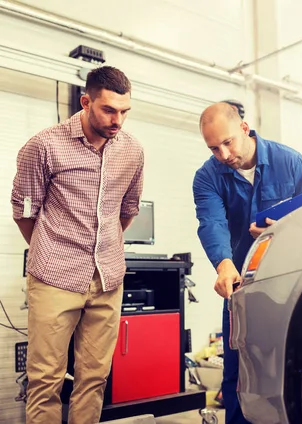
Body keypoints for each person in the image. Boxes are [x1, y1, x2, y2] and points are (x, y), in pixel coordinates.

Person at [11, 66, 144, 424]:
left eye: (124, 111)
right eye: (109, 110)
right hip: (54, 278)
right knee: (45, 380)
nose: (118, 120)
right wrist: (54, 249)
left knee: (94, 378)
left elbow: (127, 210)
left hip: (108, 279)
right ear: (86, 102)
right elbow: (24, 212)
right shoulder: (44, 145)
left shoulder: (132, 151)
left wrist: (103, 248)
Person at [193, 101, 302, 423]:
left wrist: (287, 228)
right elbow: (212, 222)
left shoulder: (290, 162)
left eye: (227, 143)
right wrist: (224, 263)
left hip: (292, 282)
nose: (223, 155)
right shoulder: (207, 177)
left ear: (244, 128)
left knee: (295, 365)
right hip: (243, 287)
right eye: (214, 148)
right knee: (238, 371)